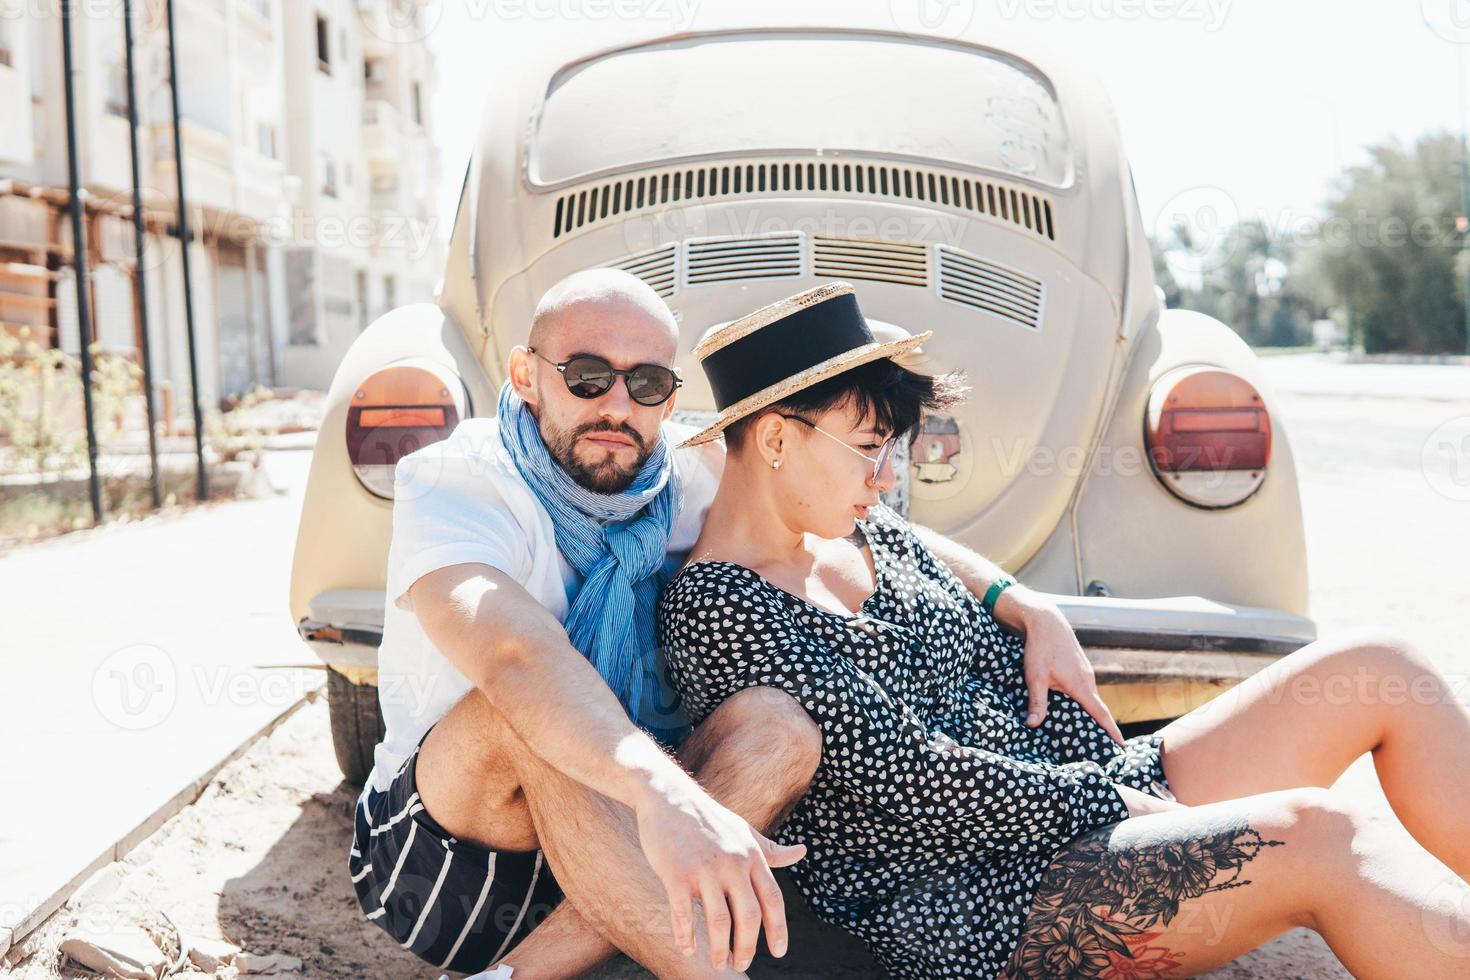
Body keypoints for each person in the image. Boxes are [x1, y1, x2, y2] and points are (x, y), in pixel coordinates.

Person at [658, 282, 1470, 979]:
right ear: (772, 439)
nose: (888, 476)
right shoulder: (719, 606)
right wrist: (1112, 797)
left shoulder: (854, 526)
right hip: (978, 901)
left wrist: (1027, 604)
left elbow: (953, 579)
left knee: (1378, 667)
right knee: (1324, 835)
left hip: (1077, 798)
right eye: (870, 449)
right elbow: (913, 781)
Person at [347, 271, 1130, 978]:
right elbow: (516, 656)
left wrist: (1020, 601)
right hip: (459, 865)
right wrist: (668, 798)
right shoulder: (454, 481)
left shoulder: (678, 467)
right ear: (525, 377)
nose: (618, 406)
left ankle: (537, 972)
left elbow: (865, 519)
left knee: (778, 728)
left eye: (648, 383)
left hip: (623, 853)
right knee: (526, 705)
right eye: (586, 378)